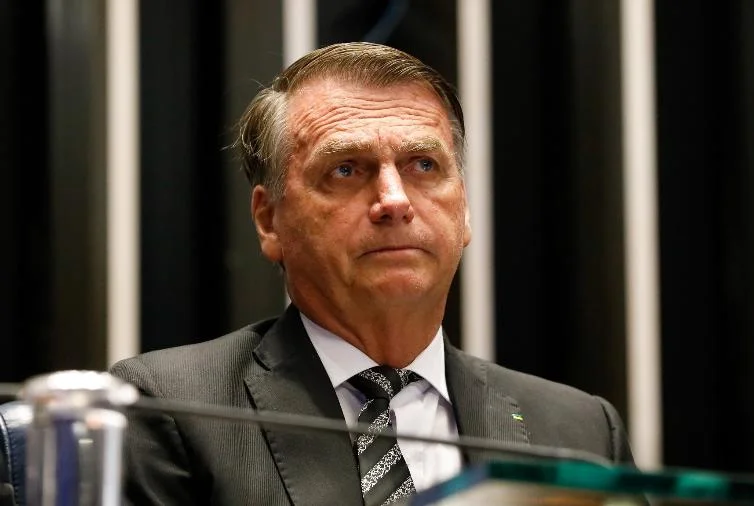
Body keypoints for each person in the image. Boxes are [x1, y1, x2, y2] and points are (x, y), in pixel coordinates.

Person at [111, 42, 635, 505]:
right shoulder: (168, 409)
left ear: (464, 210)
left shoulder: (581, 431)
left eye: (423, 165)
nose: (395, 200)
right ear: (269, 220)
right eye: (346, 169)